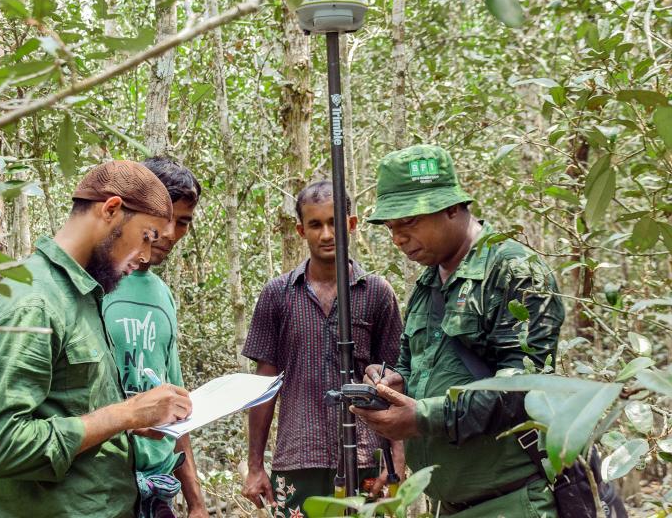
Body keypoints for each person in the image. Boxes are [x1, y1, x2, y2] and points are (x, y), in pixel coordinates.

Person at [352, 145, 565, 518]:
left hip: (511, 502)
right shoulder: (428, 283)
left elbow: (523, 388)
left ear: (451, 208)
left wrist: (422, 416)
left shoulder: (514, 271)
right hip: (449, 505)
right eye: (391, 227)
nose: (397, 238)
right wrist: (394, 382)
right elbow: (414, 365)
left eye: (409, 222)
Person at [0, 160, 193, 518]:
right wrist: (125, 413)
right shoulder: (32, 300)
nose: (144, 255)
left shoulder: (85, 295)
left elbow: (73, 409)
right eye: (146, 236)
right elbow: (3, 447)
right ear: (111, 210)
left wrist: (132, 421)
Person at [241, 181, 403, 517]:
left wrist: (396, 462)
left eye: (334, 223)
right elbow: (264, 386)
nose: (326, 234)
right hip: (298, 458)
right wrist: (255, 466)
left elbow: (397, 384)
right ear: (301, 230)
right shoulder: (277, 295)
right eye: (315, 224)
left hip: (366, 458)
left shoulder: (377, 293)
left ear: (351, 224)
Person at [103, 157, 207, 518]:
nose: (171, 233)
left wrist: (196, 502)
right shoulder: (94, 283)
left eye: (183, 222)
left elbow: (175, 401)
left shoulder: (162, 295)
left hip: (159, 488)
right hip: (103, 485)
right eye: (165, 219)